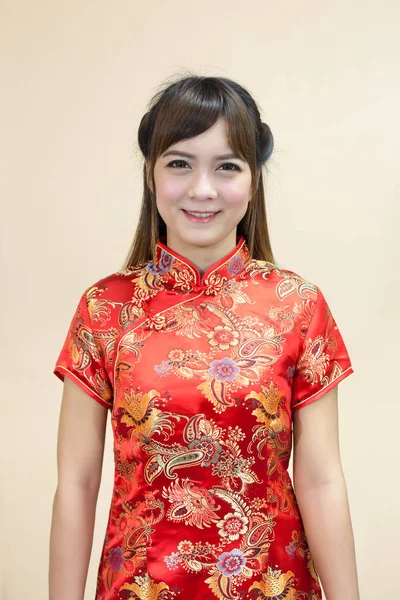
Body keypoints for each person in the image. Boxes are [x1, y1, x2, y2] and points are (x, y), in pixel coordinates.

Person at [49, 74, 360, 600]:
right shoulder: (105, 308)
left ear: (253, 180)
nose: (202, 189)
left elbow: (321, 479)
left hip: (273, 586)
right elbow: (77, 485)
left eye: (227, 167)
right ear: (151, 175)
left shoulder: (298, 305)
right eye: (179, 163)